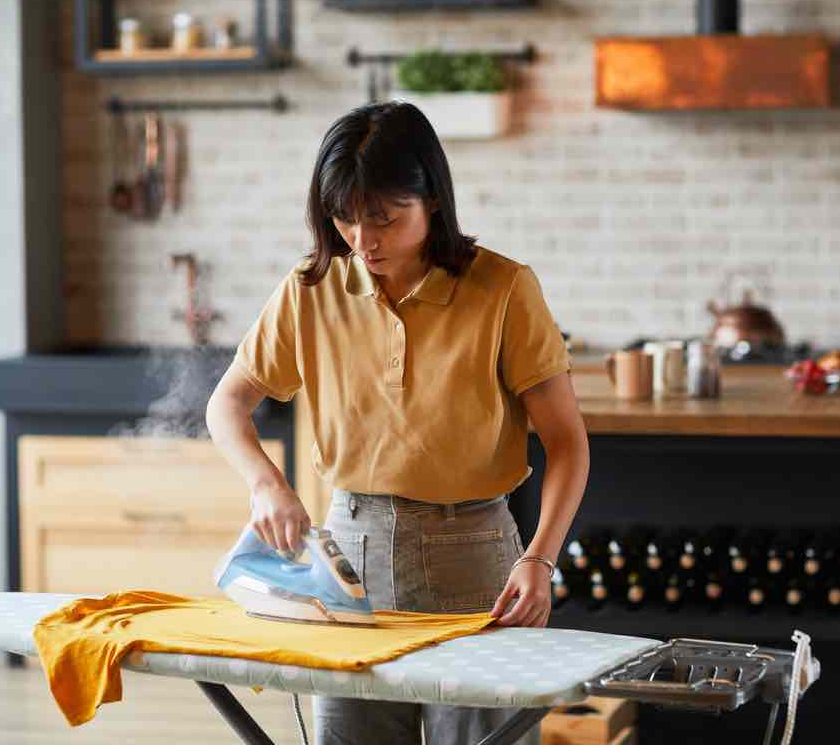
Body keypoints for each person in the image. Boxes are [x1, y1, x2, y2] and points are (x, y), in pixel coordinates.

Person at [206, 101, 589, 745]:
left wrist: (540, 559)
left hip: (477, 563)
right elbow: (227, 404)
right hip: (349, 555)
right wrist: (266, 483)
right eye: (345, 219)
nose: (364, 240)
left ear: (432, 200)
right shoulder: (310, 289)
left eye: (385, 218)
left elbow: (568, 445)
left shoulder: (504, 289)